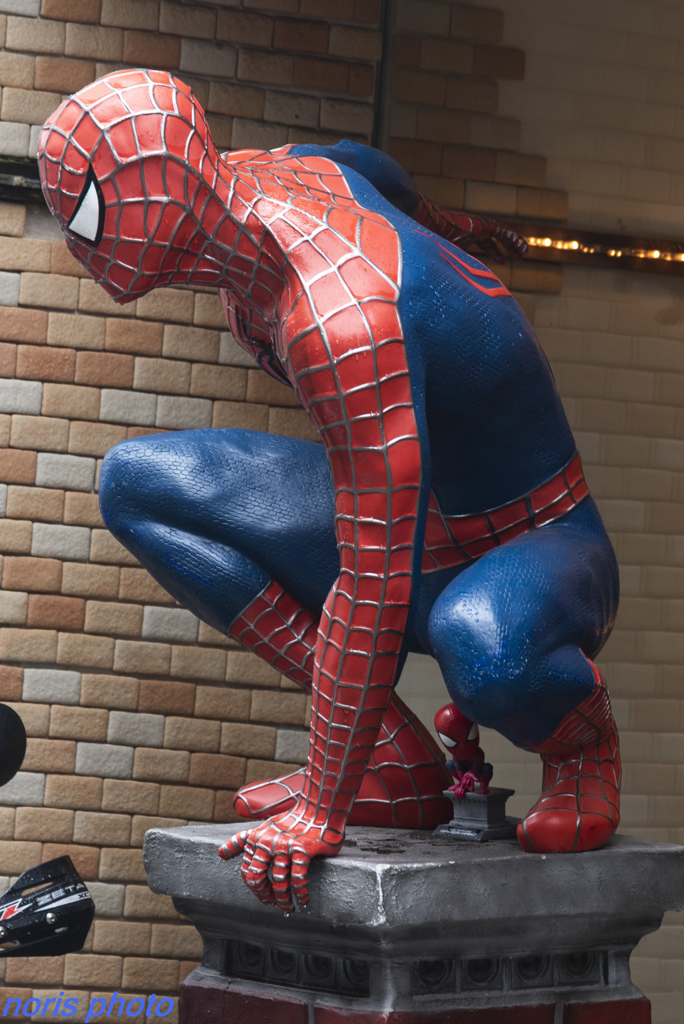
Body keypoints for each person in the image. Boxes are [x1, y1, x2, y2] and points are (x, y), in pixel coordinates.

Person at [38, 69, 620, 913]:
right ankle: (392, 752)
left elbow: (373, 579)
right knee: (136, 484)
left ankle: (584, 746)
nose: (78, 245)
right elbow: (370, 168)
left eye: (86, 215)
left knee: (484, 649)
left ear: (157, 194)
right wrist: (448, 233)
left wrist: (322, 806)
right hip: (424, 524)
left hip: (533, 541)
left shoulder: (339, 315)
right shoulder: (264, 177)